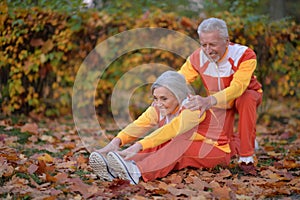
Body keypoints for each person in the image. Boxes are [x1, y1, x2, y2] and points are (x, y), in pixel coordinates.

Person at [89, 70, 233, 184]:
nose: (158, 103)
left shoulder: (193, 107)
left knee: (176, 141)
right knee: (158, 140)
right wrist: (116, 142)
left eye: (164, 98)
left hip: (215, 151)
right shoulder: (158, 107)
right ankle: (120, 166)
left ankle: (137, 171)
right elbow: (139, 125)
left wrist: (138, 145)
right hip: (191, 147)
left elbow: (172, 129)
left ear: (179, 96)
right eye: (156, 98)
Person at [178, 17, 263, 175]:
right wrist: (162, 92)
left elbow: (238, 87)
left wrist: (209, 100)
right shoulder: (197, 57)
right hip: (218, 103)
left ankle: (247, 158)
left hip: (243, 96)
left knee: (246, 98)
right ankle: (243, 141)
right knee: (223, 146)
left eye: (213, 44)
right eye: (204, 45)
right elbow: (179, 80)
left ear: (226, 40)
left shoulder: (245, 54)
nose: (208, 50)